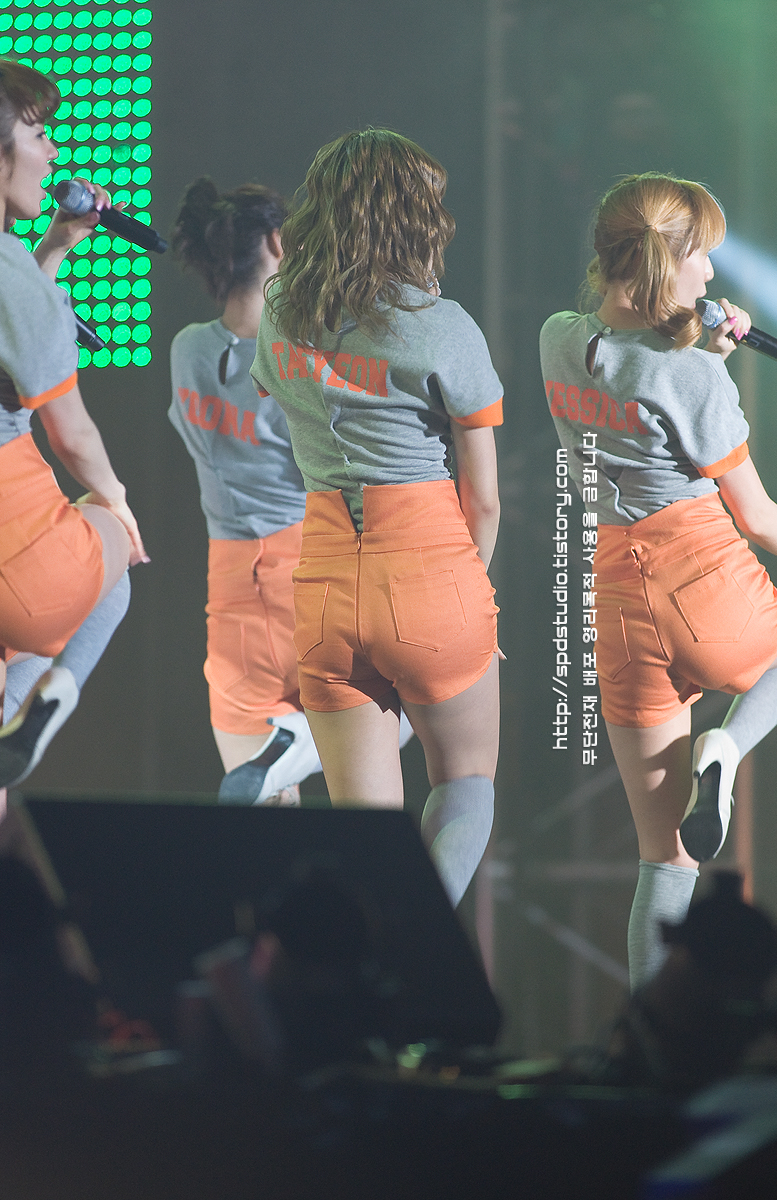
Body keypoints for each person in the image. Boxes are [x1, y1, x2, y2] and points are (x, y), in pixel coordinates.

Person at [540, 172, 777, 988]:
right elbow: (757, 516)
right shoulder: (693, 378)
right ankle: (729, 743)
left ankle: (644, 1034)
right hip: (704, 582)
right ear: (668, 260)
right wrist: (706, 362)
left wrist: (701, 347)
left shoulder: (557, 339)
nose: (712, 272)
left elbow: (636, 375)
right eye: (703, 256)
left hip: (618, 605)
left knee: (664, 859)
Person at [250, 128, 502, 907]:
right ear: (411, 217)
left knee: (367, 835)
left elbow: (276, 402)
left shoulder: (280, 312)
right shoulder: (443, 325)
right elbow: (485, 498)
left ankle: (369, 966)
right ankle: (420, 953)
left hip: (325, 585)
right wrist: (468, 599)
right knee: (465, 784)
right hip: (429, 570)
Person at [0, 59, 146, 795]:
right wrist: (117, 502)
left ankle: (18, 718)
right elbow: (72, 433)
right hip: (22, 551)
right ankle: (52, 695)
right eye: (37, 134)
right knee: (110, 540)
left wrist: (54, 249)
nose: (53, 151)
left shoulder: (16, 273)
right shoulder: (9, 274)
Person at [170, 178, 324, 804]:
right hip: (310, 575)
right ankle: (300, 745)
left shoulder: (187, 350)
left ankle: (284, 754)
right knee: (398, 717)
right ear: (278, 242)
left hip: (231, 592)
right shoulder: (300, 361)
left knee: (261, 822)